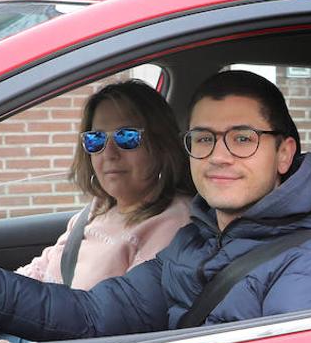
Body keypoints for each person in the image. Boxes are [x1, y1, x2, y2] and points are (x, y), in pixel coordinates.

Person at [0, 70, 311, 340]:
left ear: (284, 153)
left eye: (242, 138)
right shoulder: (195, 241)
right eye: (204, 138)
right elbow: (92, 314)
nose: (219, 156)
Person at [16, 79, 193, 290]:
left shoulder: (172, 224)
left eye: (126, 137)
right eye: (96, 139)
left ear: (161, 145)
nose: (109, 153)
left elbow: (111, 314)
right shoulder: (95, 210)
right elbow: (38, 271)